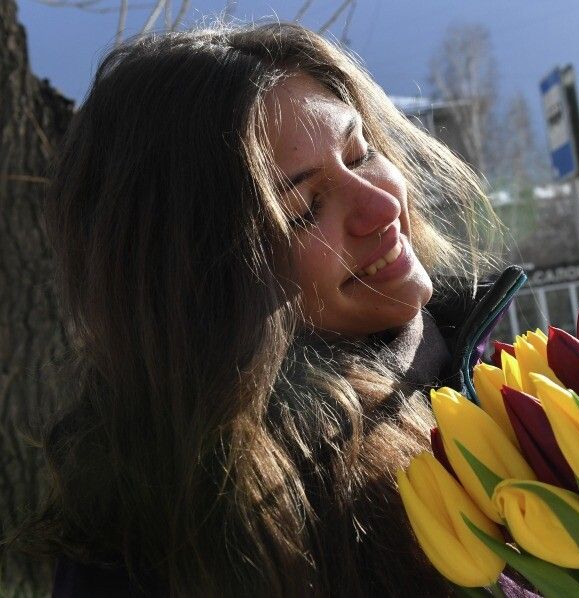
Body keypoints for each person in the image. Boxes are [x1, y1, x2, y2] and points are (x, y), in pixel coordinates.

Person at [11, 21, 522, 597]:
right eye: (304, 208)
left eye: (359, 154)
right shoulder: (173, 550)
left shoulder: (504, 378)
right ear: (206, 288)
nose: (381, 205)